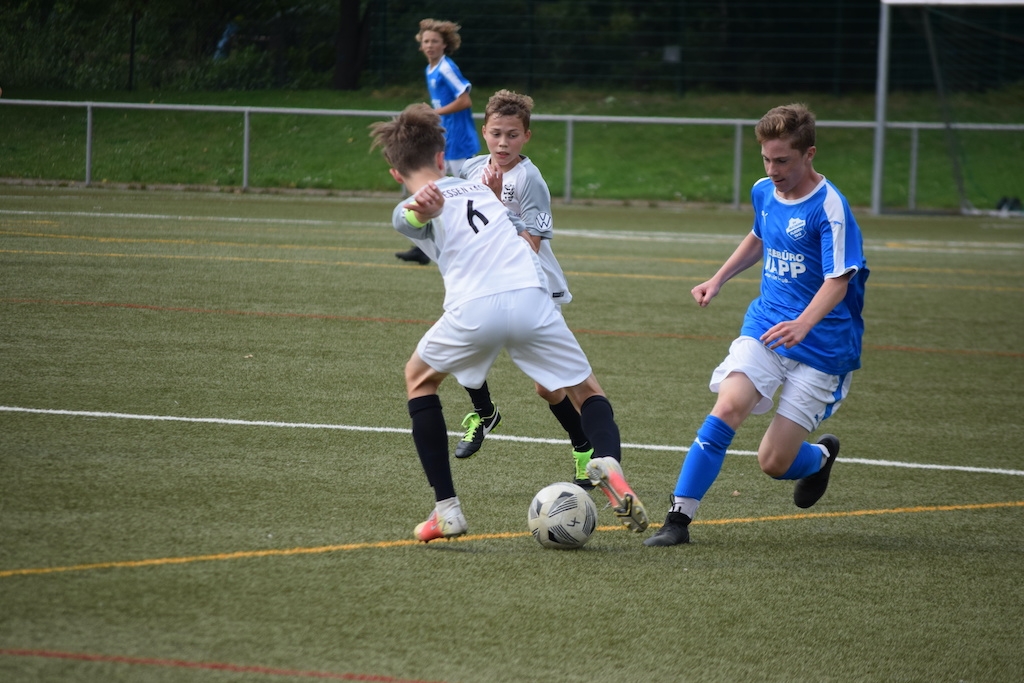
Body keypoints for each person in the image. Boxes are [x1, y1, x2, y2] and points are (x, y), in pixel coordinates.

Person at [369, 103, 648, 542]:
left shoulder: (413, 202)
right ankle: (608, 461)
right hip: (531, 297)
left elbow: (410, 216)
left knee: (419, 380)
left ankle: (446, 510)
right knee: (587, 391)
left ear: (395, 174)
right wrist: (477, 201)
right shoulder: (481, 188)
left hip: (475, 306)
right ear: (442, 158)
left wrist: (420, 210)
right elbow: (500, 230)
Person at [644, 103, 869, 547]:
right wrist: (718, 278)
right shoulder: (764, 191)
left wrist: (803, 324)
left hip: (823, 346)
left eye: (782, 160)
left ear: (809, 154)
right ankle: (678, 518)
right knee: (728, 407)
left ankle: (820, 458)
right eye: (766, 159)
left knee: (773, 462)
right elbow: (759, 236)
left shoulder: (830, 207)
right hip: (766, 326)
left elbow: (839, 280)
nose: (772, 170)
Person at [449, 89, 594, 490]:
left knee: (548, 387)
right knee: (460, 342)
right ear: (484, 131)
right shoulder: (471, 168)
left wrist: (495, 205)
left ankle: (584, 448)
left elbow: (532, 244)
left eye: (512, 135)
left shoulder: (530, 180)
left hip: (531, 284)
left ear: (526, 136)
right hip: (487, 281)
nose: (503, 143)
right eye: (496, 134)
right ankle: (485, 413)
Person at [395, 18, 480, 267]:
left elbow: (465, 100)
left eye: (434, 41)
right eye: (426, 41)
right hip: (445, 140)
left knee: (469, 192)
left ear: (445, 45)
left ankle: (481, 239)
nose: (430, 45)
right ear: (420, 45)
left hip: (460, 140)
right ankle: (425, 248)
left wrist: (434, 113)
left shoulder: (446, 68)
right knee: (436, 189)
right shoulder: (430, 69)